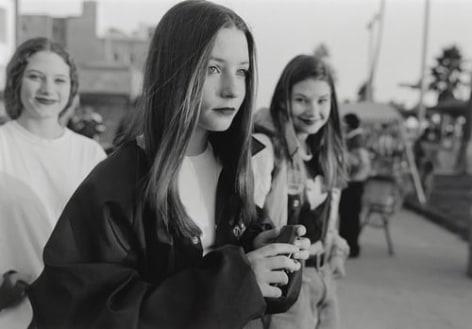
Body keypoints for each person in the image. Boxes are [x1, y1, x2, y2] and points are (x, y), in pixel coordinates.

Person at [28, 2, 310, 329]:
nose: (233, 89)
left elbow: (225, 261)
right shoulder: (118, 183)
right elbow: (90, 311)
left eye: (242, 71)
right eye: (213, 69)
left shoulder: (236, 166)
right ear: (175, 70)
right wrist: (238, 280)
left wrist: (261, 249)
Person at [0, 37, 106, 328]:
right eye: (35, 77)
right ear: (16, 80)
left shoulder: (91, 154)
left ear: (71, 87)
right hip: (10, 316)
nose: (48, 89)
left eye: (59, 80)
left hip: (74, 316)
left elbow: (107, 243)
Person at [252, 54, 350, 329]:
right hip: (289, 282)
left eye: (322, 101)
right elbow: (247, 225)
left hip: (325, 277)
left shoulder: (327, 153)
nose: (313, 111)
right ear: (284, 99)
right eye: (302, 100)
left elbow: (326, 220)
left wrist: (337, 248)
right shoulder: (265, 149)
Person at [339, 112, 371, 258]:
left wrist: (349, 174)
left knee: (350, 216)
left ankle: (352, 247)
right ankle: (348, 245)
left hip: (353, 183)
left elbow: (360, 161)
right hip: (352, 182)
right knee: (348, 216)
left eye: (344, 122)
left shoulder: (357, 139)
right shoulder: (354, 137)